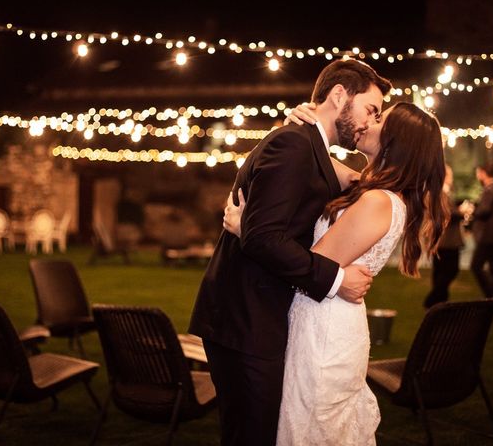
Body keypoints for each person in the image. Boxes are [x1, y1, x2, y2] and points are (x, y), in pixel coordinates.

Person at [188, 59, 392, 446]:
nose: (370, 121)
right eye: (370, 109)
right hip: (245, 322)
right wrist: (336, 280)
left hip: (255, 318)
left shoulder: (305, 143)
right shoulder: (293, 144)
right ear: (338, 96)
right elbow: (264, 238)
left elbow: (343, 184)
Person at [224, 101, 448, 445]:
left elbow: (313, 262)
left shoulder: (378, 201)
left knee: (312, 426)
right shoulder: (370, 189)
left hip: (324, 332)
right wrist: (298, 129)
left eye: (379, 119)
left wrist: (247, 232)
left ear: (396, 140)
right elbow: (311, 157)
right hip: (320, 318)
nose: (367, 122)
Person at [461, 163, 493, 307]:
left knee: (476, 266)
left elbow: (484, 211)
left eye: (478, 173)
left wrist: (471, 211)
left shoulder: (489, 191)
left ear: (483, 173)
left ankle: (491, 296)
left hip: (488, 237)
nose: (477, 176)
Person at [423, 164, 464, 308]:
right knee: (450, 270)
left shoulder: (436, 192)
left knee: (440, 271)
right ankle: (432, 300)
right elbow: (446, 214)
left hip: (440, 240)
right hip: (446, 240)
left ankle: (441, 302)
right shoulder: (440, 192)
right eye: (450, 175)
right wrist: (462, 211)